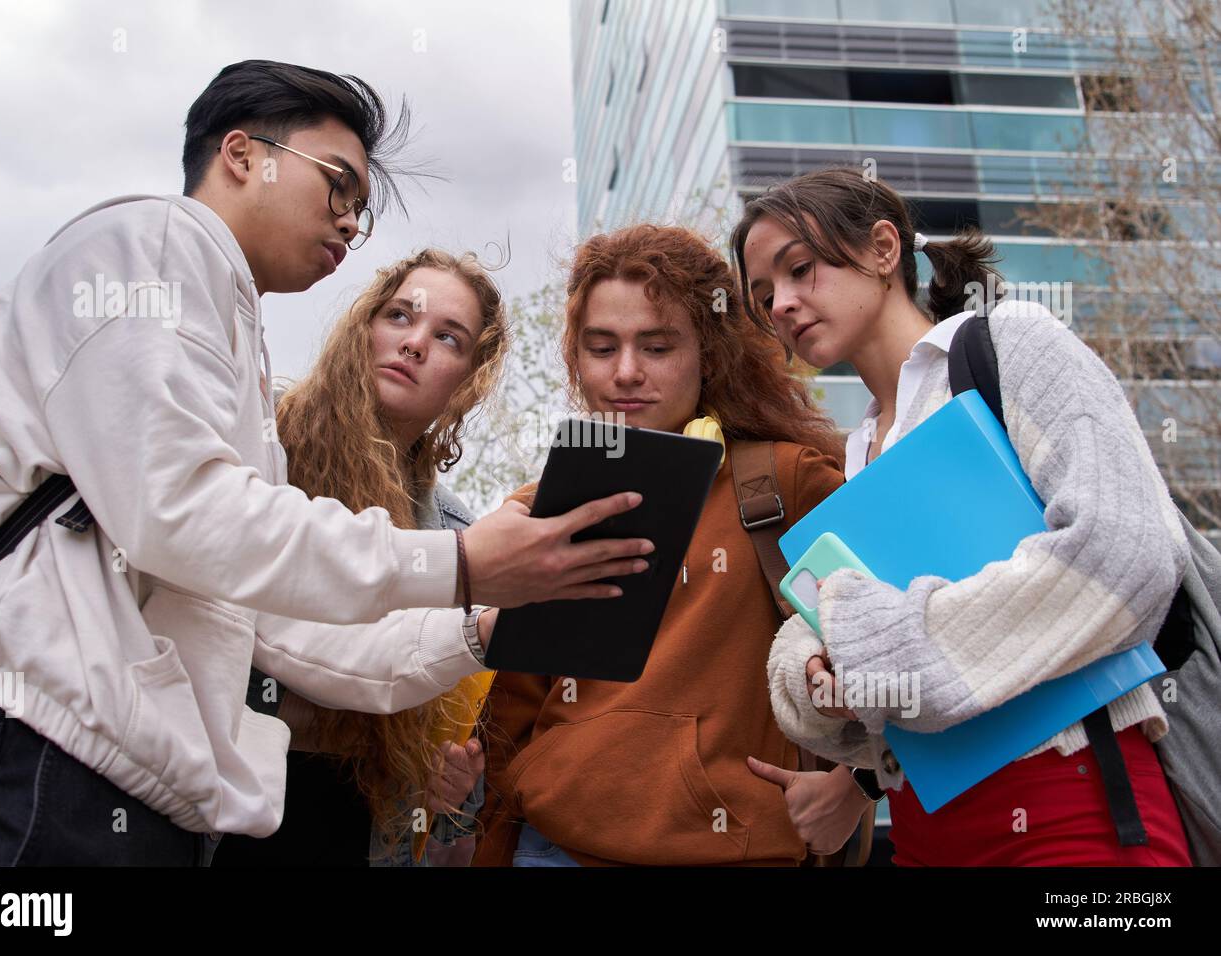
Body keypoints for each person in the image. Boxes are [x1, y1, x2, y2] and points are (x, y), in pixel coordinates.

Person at [0, 60, 652, 866]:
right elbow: (183, 512)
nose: (348, 222)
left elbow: (293, 629)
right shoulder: (154, 240)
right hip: (39, 756)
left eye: (361, 211)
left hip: (125, 784)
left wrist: (481, 621)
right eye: (338, 185)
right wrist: (460, 562)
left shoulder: (230, 323)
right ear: (241, 155)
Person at [734, 167, 1192, 866]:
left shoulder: (1010, 343)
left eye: (800, 270)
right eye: (763, 297)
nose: (783, 305)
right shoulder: (856, 448)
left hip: (1070, 801)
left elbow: (1125, 554)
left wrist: (875, 648)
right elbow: (840, 628)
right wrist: (821, 682)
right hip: (923, 828)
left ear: (884, 249)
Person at [472, 224, 849, 866]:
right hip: (554, 849)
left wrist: (858, 787)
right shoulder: (536, 512)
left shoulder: (783, 482)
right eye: (601, 347)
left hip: (734, 851)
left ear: (708, 351)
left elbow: (907, 641)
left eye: (657, 345)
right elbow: (507, 722)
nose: (626, 373)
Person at [215, 248, 505, 867]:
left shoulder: (457, 531)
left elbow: (446, 804)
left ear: (469, 381)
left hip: (359, 832)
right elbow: (203, 639)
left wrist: (447, 790)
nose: (415, 343)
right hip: (221, 810)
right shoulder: (261, 446)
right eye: (400, 316)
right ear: (364, 326)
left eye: (448, 337)